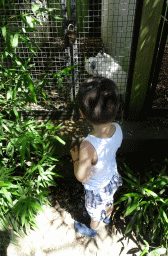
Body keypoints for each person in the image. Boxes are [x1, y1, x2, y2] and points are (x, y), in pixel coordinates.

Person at [70, 76, 123, 237]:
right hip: (111, 177)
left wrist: (75, 159)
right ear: (116, 107)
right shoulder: (116, 128)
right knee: (109, 201)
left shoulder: (87, 145)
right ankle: (107, 218)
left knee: (94, 211)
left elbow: (82, 177)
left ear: (82, 113)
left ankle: (92, 229)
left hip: (96, 188)